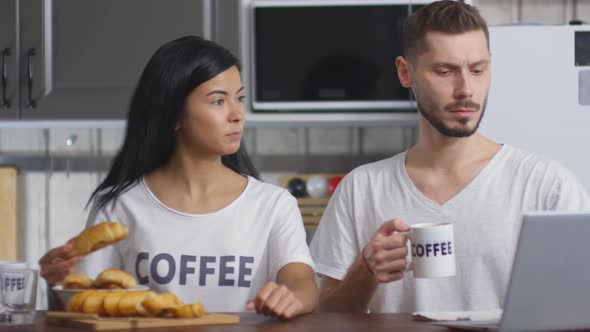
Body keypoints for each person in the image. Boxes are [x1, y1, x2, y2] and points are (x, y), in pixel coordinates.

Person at [309, 0, 590, 314]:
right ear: (406, 72)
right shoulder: (361, 188)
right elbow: (328, 315)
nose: (466, 89)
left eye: (478, 70)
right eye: (445, 71)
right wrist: (366, 269)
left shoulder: (547, 186)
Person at [38, 36, 317, 319]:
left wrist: (290, 296)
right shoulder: (119, 206)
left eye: (240, 98)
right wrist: (56, 283)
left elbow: (301, 281)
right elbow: (84, 307)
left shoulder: (274, 204)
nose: (237, 114)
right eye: (218, 101)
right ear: (173, 115)